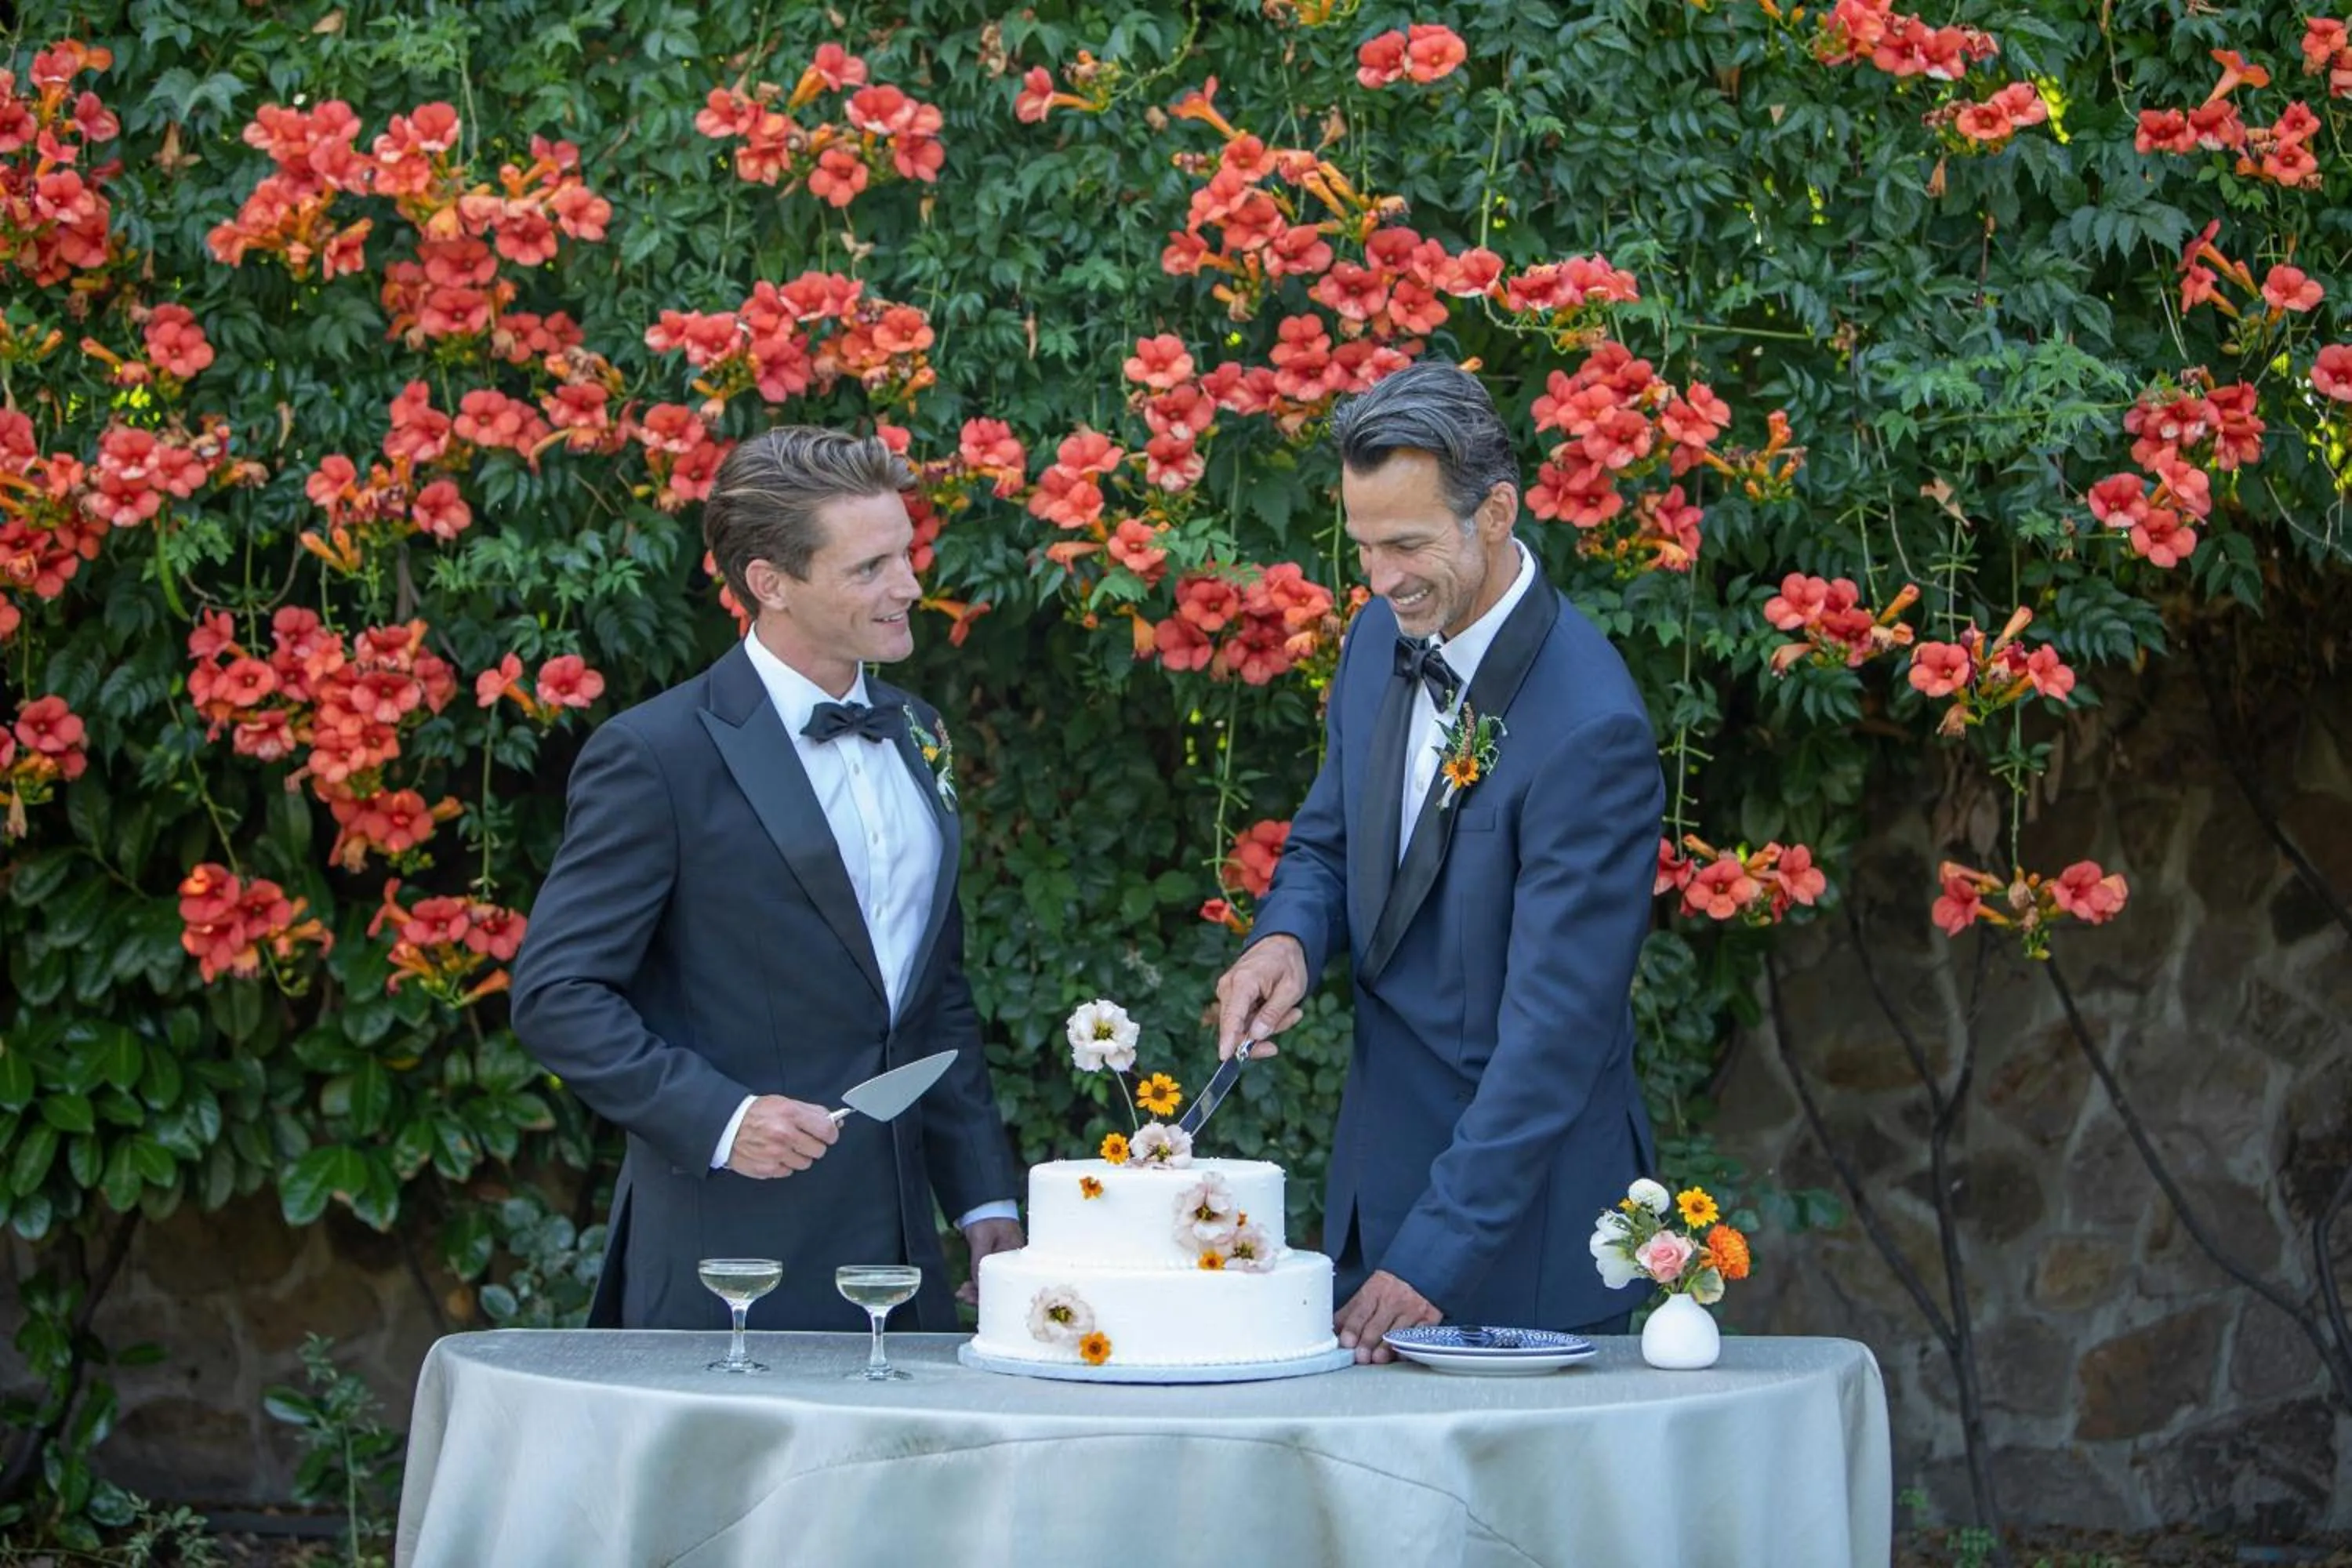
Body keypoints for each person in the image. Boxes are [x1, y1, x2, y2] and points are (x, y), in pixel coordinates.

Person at [512, 425, 1022, 1333]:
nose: (908, 585)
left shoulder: (919, 732)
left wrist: (984, 1199)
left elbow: (928, 991)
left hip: (903, 1258)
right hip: (729, 1256)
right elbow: (558, 994)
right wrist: (723, 1116)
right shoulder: (655, 754)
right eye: (870, 567)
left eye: (905, 553)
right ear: (770, 583)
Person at [1213, 360, 1664, 1363]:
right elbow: (1327, 837)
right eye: (1365, 545)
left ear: (1496, 512)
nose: (1379, 579)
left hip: (1523, 1235)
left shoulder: (1593, 729)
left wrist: (1435, 1253)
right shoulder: (1381, 636)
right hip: (1379, 1193)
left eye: (1408, 544)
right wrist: (1286, 937)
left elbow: (1555, 1036)